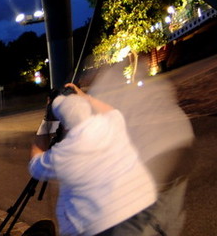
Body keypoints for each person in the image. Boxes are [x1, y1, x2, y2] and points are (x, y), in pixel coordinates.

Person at [28, 83, 160, 236]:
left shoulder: (64, 153)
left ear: (63, 123)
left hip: (97, 226)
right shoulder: (111, 123)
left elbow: (35, 164)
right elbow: (112, 111)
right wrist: (83, 96)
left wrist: (46, 121)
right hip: (141, 208)